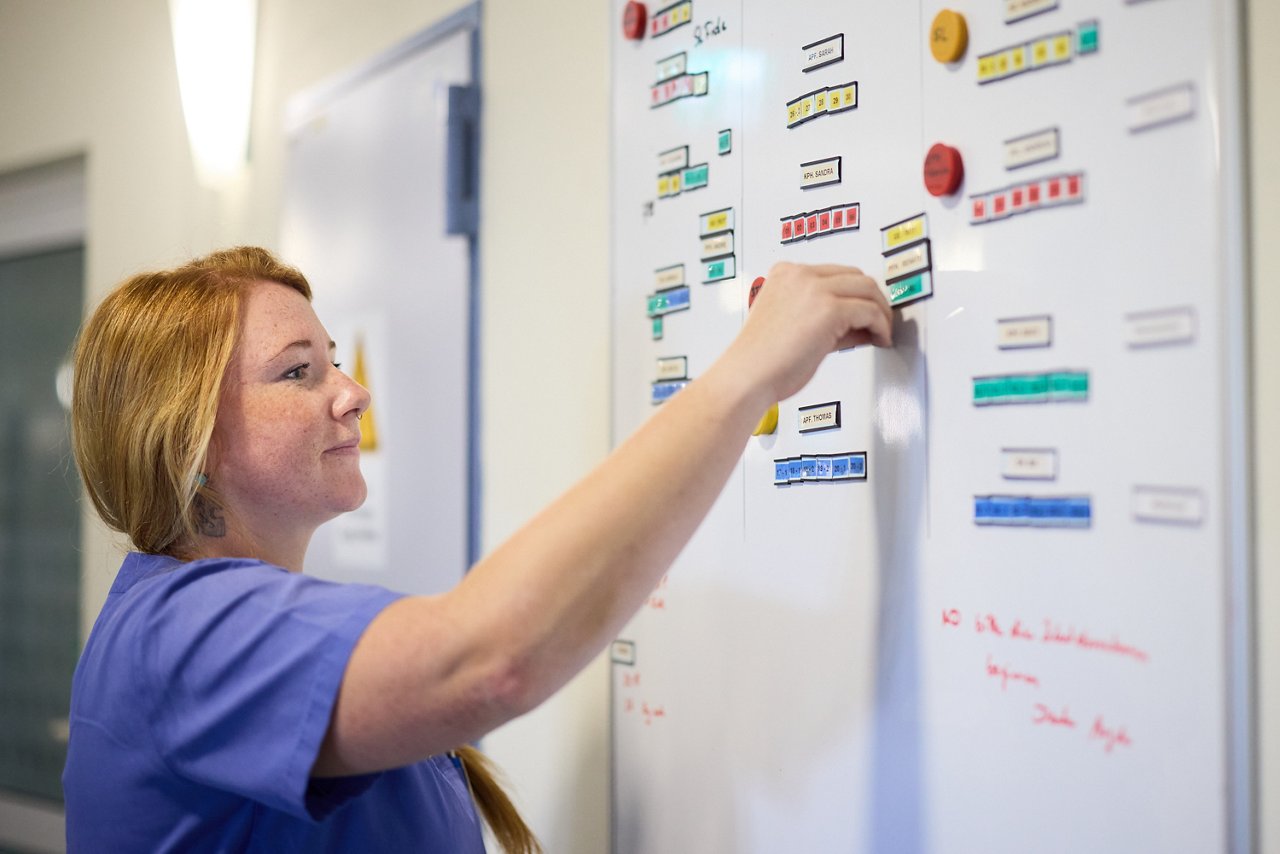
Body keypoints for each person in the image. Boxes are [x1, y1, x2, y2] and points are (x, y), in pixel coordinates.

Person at [62, 246, 893, 852]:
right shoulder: (183, 637)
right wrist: (750, 371)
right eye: (298, 373)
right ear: (189, 438)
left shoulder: (249, 620)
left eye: (336, 363)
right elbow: (493, 660)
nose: (353, 394)